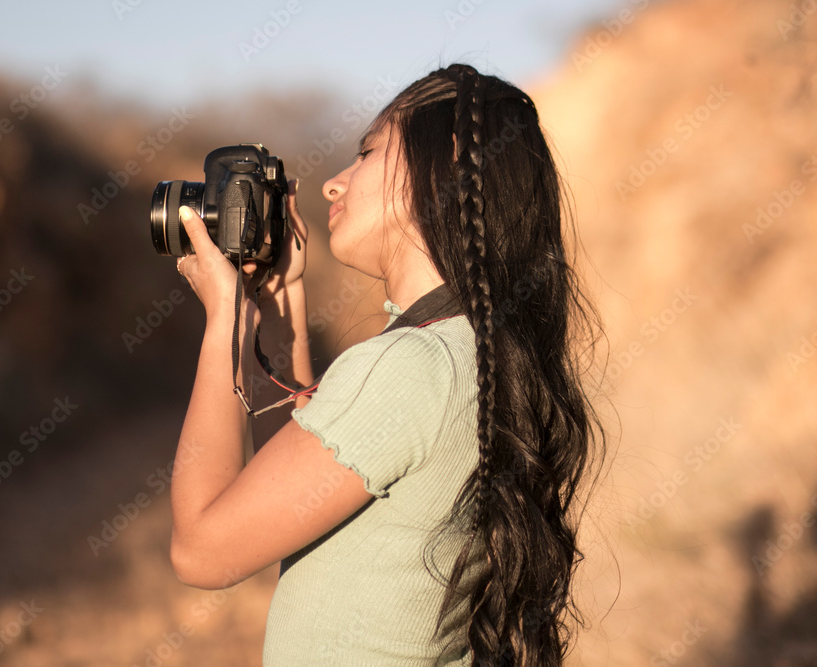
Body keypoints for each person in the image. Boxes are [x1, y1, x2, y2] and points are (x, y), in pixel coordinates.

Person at [168, 63, 604, 666]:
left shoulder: (407, 367)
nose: (332, 184)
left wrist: (223, 322)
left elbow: (201, 551)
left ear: (443, 165)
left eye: (367, 152)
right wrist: (282, 302)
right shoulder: (469, 351)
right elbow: (292, 485)